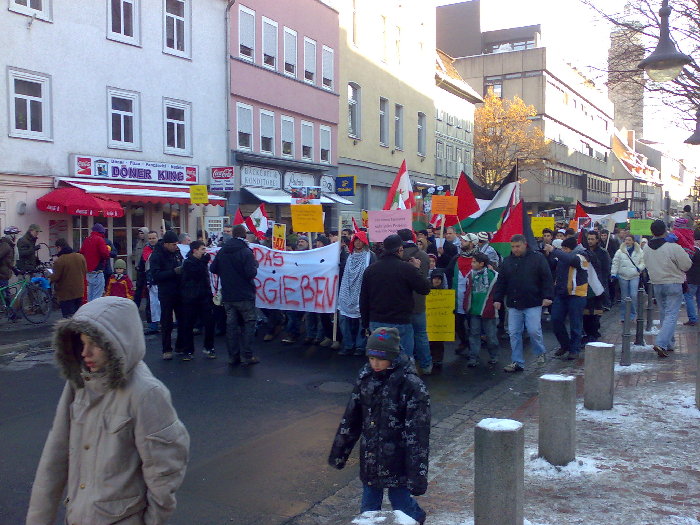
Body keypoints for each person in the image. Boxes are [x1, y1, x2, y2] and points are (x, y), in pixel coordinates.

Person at [26, 297, 190, 525]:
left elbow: (164, 471)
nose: (85, 353)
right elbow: (55, 456)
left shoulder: (146, 393)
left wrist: (152, 521)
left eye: (95, 344)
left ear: (118, 343)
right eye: (81, 343)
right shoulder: (80, 382)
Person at [328, 327, 430, 524]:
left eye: (380, 359)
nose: (375, 363)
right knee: (368, 507)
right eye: (371, 358)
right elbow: (352, 417)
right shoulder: (366, 377)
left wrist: (417, 475)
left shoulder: (411, 385)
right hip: (371, 457)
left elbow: (418, 434)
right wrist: (340, 452)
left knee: (400, 503)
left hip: (398, 460)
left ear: (392, 357)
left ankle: (416, 517)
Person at [359, 234, 430, 356]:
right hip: (400, 322)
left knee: (380, 358)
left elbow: (363, 299)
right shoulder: (407, 268)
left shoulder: (370, 269)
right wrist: (417, 269)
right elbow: (424, 288)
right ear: (400, 250)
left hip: (377, 321)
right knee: (403, 360)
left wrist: (365, 323)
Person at [493, 234, 553, 373]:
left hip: (533, 301)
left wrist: (548, 296)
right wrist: (497, 298)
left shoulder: (537, 258)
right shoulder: (507, 261)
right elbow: (501, 282)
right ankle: (517, 361)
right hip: (514, 303)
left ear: (524, 244)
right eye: (513, 247)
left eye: (517, 246)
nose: (515, 249)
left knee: (533, 330)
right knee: (514, 333)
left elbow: (547, 278)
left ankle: (540, 352)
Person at [210, 224, 260, 366]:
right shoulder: (246, 251)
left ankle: (233, 356)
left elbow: (213, 268)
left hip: (228, 295)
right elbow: (250, 273)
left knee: (231, 327)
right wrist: (255, 265)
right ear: (244, 235)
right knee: (248, 324)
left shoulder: (223, 250)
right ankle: (247, 356)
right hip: (244, 295)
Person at [643, 219, 692, 357]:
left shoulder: (646, 248)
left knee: (664, 313)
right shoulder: (673, 247)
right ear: (665, 230)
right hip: (673, 282)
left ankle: (669, 343)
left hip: (657, 283)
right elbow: (687, 265)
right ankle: (662, 342)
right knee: (671, 315)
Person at [544, 237, 589, 360]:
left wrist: (554, 250)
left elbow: (571, 260)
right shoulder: (563, 256)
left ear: (570, 248)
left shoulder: (582, 256)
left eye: (565, 249)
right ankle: (565, 345)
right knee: (556, 320)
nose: (563, 251)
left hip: (577, 295)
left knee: (575, 324)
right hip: (562, 294)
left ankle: (574, 349)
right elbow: (553, 265)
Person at [398, 228, 433, 374]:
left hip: (403, 302)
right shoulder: (424, 255)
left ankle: (408, 366)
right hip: (419, 301)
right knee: (421, 334)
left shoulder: (399, 256)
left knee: (406, 336)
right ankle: (426, 364)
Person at [338, 231, 376, 356]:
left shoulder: (370, 256)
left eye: (360, 240)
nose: (358, 242)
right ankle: (348, 344)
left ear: (365, 242)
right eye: (356, 240)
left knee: (361, 321)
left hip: (362, 292)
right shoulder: (349, 256)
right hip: (346, 290)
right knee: (344, 319)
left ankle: (360, 346)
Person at [148, 230, 184, 360]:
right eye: (173, 244)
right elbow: (156, 275)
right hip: (166, 292)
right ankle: (166, 348)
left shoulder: (177, 252)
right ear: (166, 244)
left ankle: (180, 346)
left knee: (183, 319)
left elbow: (182, 264)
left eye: (176, 244)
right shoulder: (157, 255)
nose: (176, 246)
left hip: (179, 290)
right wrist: (173, 272)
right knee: (166, 321)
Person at [180, 240, 217, 361]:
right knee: (188, 324)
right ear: (195, 250)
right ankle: (188, 350)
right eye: (202, 249)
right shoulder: (188, 263)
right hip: (190, 298)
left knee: (209, 323)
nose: (204, 252)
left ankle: (209, 347)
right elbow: (196, 274)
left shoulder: (202, 262)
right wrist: (203, 262)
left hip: (204, 297)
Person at [464, 252, 500, 367]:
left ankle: (494, 355)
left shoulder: (492, 275)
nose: (472, 264)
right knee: (474, 334)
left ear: (482, 263)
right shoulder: (470, 275)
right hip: (474, 309)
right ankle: (473, 357)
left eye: (474, 262)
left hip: (488, 310)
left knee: (491, 335)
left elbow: (496, 291)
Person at [446, 233, 479, 354]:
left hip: (473, 299)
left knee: (474, 326)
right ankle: (464, 341)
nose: (462, 242)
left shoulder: (480, 259)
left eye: (465, 241)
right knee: (458, 323)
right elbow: (448, 273)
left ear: (472, 243)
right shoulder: (456, 258)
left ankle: (473, 349)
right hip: (457, 298)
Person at [582, 231, 611, 342]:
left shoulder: (603, 253)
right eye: (589, 239)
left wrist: (602, 284)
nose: (590, 241)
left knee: (596, 311)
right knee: (586, 312)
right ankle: (588, 332)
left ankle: (594, 332)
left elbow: (605, 269)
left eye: (592, 239)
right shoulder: (584, 252)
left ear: (597, 240)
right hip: (586, 285)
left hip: (598, 284)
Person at [49, 238, 87, 318]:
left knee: (68, 318)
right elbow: (85, 271)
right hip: (79, 291)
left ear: (59, 248)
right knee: (77, 316)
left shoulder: (60, 261)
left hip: (66, 294)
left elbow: (55, 277)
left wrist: (49, 275)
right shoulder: (80, 257)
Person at [611, 235, 645, 323]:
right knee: (624, 297)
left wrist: (639, 268)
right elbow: (615, 262)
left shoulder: (639, 251)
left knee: (633, 295)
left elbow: (643, 261)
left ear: (633, 241)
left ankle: (633, 314)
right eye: (626, 239)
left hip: (634, 275)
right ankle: (623, 315)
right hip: (623, 276)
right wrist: (613, 274)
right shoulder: (619, 251)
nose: (627, 241)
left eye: (629, 240)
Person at [80, 223, 111, 302]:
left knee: (90, 294)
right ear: (102, 232)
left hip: (88, 271)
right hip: (97, 271)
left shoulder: (87, 239)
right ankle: (95, 313)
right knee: (97, 296)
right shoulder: (100, 239)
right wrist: (108, 251)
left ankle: (89, 312)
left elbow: (81, 252)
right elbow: (105, 254)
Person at [428, 271, 447, 366]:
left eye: (439, 279)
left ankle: (438, 358)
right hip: (430, 319)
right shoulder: (427, 291)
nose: (437, 280)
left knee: (439, 341)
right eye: (435, 278)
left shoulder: (445, 293)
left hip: (440, 320)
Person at [683, 229, 700, 326]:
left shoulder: (692, 251)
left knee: (688, 297)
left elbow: (686, 264)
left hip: (692, 278)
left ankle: (693, 318)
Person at [0, 226, 19, 305]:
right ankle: (11, 314)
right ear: (11, 235)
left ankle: (10, 313)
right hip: (2, 274)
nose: (16, 236)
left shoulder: (8, 244)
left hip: (4, 273)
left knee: (5, 294)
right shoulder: (6, 245)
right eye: (15, 234)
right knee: (6, 295)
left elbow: (7, 260)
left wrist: (14, 268)